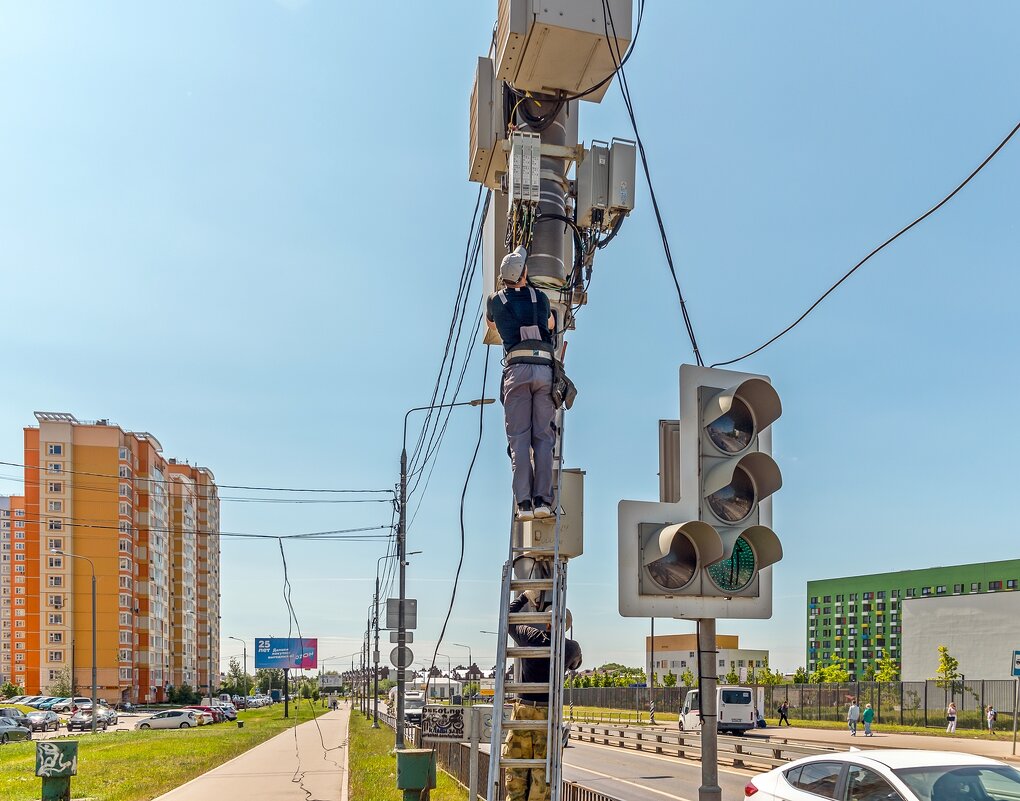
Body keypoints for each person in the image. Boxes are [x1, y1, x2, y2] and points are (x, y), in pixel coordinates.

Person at [486, 246, 557, 522]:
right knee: (543, 437)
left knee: (519, 440)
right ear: (524, 273)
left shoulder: (496, 301)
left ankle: (524, 503)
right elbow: (550, 323)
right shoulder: (539, 297)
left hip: (516, 371)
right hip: (543, 371)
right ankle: (542, 500)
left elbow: (491, 325)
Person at [503, 592, 582, 801]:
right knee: (543, 774)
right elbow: (576, 664)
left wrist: (524, 597)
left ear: (545, 622)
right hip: (548, 713)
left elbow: (507, 616)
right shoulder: (570, 647)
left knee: (516, 770)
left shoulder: (528, 635)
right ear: (566, 627)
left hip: (523, 710)